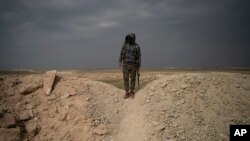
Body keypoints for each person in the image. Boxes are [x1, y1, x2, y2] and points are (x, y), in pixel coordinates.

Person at [119, 33, 141, 99]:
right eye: (128, 38)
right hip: (125, 64)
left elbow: (139, 57)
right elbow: (121, 53)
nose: (129, 39)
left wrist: (138, 66)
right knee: (126, 78)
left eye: (131, 38)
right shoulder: (125, 45)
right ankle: (127, 92)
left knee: (132, 79)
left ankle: (132, 92)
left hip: (133, 65)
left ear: (133, 39)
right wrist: (120, 61)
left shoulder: (137, 46)